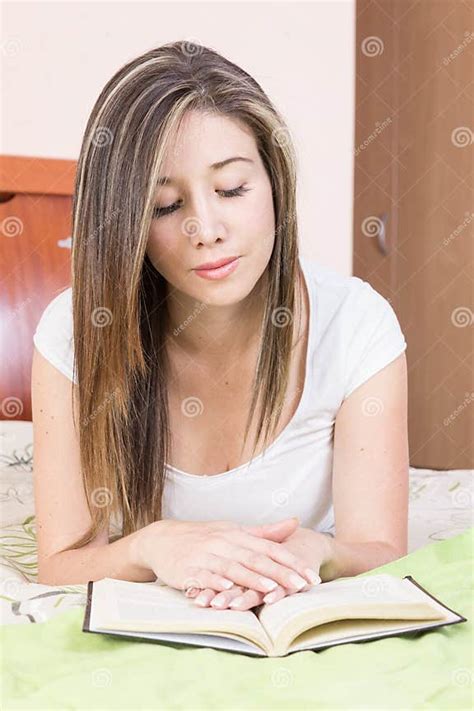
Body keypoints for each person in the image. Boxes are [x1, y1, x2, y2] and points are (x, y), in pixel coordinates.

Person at [31, 40, 409, 612]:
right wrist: (153, 547)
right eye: (164, 206)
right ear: (125, 223)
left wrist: (317, 553)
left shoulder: (355, 324)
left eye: (232, 189)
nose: (204, 229)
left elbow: (380, 549)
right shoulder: (74, 332)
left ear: (275, 184)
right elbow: (60, 563)